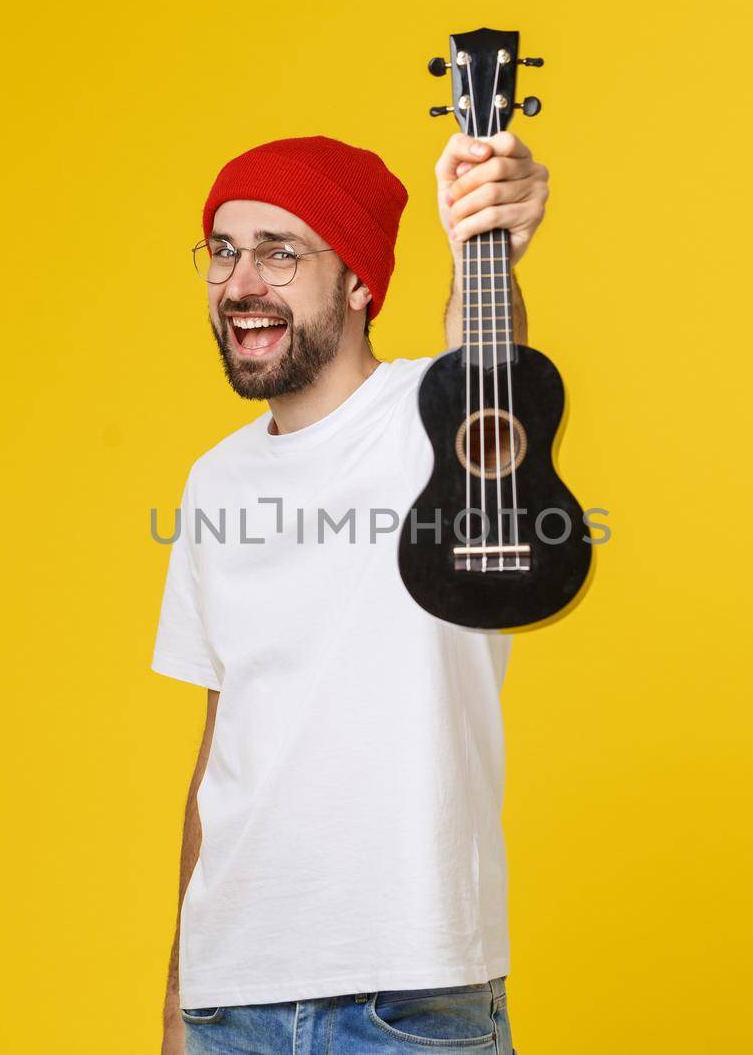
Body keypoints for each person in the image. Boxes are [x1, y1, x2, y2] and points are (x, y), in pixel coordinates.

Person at [153, 131, 550, 1055]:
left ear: (361, 282)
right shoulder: (213, 483)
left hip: (404, 999)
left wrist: (484, 239)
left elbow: (489, 379)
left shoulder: (433, 418)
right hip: (230, 1000)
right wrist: (180, 989)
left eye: (280, 251)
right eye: (224, 249)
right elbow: (223, 745)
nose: (242, 281)